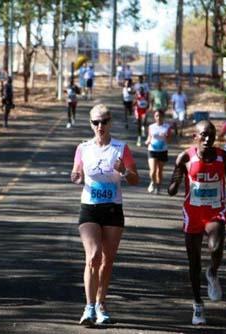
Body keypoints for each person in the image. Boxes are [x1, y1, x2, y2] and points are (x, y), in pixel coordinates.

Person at [71, 104, 139, 326]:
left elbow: (135, 179)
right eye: (95, 122)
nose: (100, 126)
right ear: (90, 123)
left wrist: (123, 171)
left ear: (111, 122)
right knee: (93, 256)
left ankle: (101, 305)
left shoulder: (121, 148)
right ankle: (89, 307)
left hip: (112, 209)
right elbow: (76, 172)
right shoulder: (83, 148)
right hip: (89, 207)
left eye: (104, 121)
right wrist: (76, 176)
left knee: (107, 261)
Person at [168, 120, 226, 326]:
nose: (208, 139)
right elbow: (172, 185)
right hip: (193, 213)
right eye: (204, 135)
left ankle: (212, 271)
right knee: (193, 263)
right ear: (195, 137)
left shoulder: (222, 156)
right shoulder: (185, 157)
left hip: (215, 211)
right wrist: (175, 182)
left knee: (216, 245)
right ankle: (197, 304)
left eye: (211, 135)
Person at [145, 110, 172, 194]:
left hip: (163, 151)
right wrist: (147, 141)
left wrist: (166, 136)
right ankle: (153, 182)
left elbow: (169, 140)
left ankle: (158, 186)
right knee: (152, 170)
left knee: (159, 171)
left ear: (163, 117)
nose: (158, 118)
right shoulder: (151, 127)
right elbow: (149, 137)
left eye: (160, 116)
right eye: (156, 116)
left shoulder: (167, 127)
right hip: (152, 150)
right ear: (154, 117)